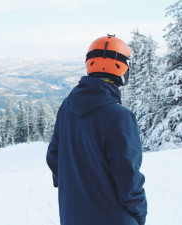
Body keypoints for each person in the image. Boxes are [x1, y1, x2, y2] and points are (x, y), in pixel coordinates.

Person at [46, 35, 147, 225]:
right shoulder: (120, 116)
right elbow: (129, 178)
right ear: (123, 68)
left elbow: (54, 157)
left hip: (72, 217)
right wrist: (139, 215)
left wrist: (75, 190)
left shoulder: (67, 107)